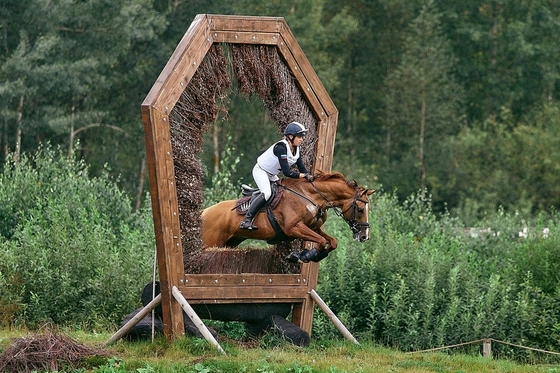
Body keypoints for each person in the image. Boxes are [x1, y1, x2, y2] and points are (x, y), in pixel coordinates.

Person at [239, 121, 314, 230]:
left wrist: (311, 178)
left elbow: (302, 169)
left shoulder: (297, 150)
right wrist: (304, 176)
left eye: (302, 136)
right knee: (267, 193)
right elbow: (287, 173)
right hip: (261, 171)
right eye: (299, 136)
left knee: (283, 192)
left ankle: (257, 195)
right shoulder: (281, 148)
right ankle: (246, 220)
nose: (302, 139)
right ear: (291, 136)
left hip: (271, 174)